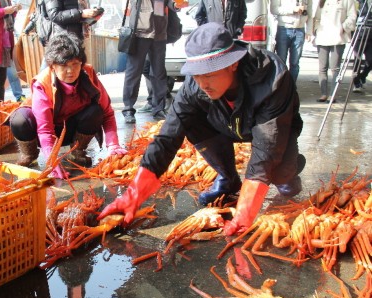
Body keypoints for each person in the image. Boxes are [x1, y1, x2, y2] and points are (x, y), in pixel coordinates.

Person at [98, 23, 306, 236]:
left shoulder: (272, 78)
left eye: (209, 74)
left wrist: (244, 213)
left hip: (274, 128)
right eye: (196, 75)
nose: (202, 83)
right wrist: (133, 195)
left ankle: (289, 171)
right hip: (226, 122)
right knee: (189, 120)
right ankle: (227, 177)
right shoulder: (194, 87)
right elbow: (167, 138)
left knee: (279, 172)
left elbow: (267, 147)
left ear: (232, 64)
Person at [6, 33, 127, 179]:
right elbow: (44, 130)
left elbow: (107, 113)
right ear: (52, 66)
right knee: (20, 119)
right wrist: (51, 162)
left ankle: (78, 151)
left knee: (96, 111)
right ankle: (29, 153)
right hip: (42, 131)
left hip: (71, 129)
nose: (70, 71)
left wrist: (113, 144)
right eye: (63, 66)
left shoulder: (88, 73)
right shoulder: (42, 83)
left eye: (75, 64)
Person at [121, 0, 176, 123]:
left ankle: (158, 109)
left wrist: (176, 5)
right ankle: (128, 108)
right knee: (134, 72)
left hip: (159, 32)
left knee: (159, 72)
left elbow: (168, 3)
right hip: (139, 32)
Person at [312, 0, 357, 102]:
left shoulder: (347, 1)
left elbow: (352, 16)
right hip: (322, 36)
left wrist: (343, 27)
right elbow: (317, 17)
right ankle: (323, 93)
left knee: (335, 68)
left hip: (338, 37)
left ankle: (333, 94)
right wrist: (316, 30)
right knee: (322, 68)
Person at [270, 0, 313, 83]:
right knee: (281, 61)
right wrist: (293, 9)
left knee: (295, 63)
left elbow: (310, 14)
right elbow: (274, 9)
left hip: (300, 30)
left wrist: (309, 31)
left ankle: (292, 87)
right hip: (284, 28)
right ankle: (280, 87)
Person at [352, 0, 372, 93]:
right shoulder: (358, 2)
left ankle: (362, 76)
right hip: (359, 34)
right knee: (357, 60)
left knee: (370, 60)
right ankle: (356, 82)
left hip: (370, 36)